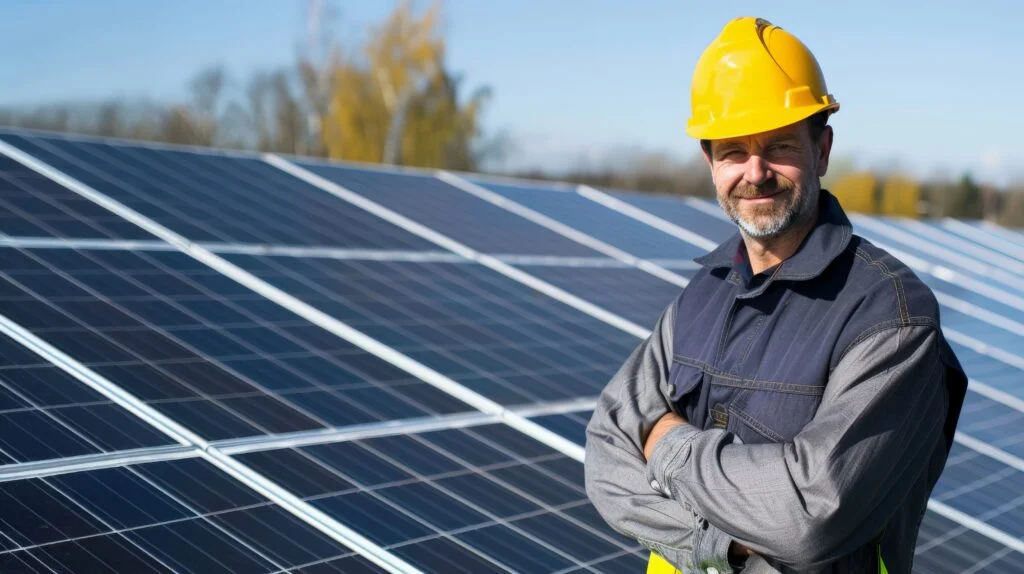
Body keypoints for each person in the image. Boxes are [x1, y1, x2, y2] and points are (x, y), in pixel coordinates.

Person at [584, 16, 967, 574]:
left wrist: (665, 444)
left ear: (823, 149)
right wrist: (724, 541)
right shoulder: (700, 297)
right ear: (710, 163)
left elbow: (810, 517)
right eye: (734, 151)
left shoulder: (890, 314)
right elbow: (605, 452)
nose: (755, 172)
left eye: (780, 146)